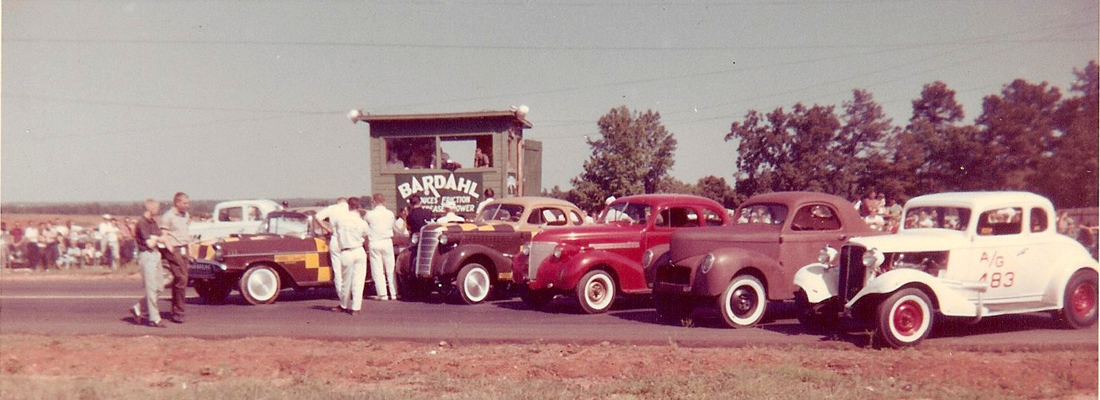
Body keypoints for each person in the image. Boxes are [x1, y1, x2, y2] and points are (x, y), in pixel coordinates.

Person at [131, 198, 168, 328]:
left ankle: (138, 307)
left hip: (155, 255)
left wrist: (155, 238)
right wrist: (156, 239)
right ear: (151, 209)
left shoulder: (153, 222)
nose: (158, 211)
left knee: (159, 287)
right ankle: (155, 319)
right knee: (151, 289)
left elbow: (162, 238)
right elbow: (150, 243)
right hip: (147, 256)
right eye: (157, 208)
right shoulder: (142, 223)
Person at [330, 197, 370, 315]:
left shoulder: (340, 219)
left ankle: (343, 304)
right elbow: (366, 236)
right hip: (358, 250)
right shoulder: (362, 222)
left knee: (345, 281)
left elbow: (335, 229)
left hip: (346, 251)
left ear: (348, 206)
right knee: (359, 280)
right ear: (358, 207)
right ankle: (356, 308)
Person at [160, 192, 192, 324]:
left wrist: (190, 251)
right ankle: (179, 312)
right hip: (174, 249)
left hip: (184, 248)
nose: (187, 206)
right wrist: (171, 249)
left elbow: (186, 232)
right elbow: (164, 234)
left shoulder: (186, 215)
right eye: (185, 203)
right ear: (177, 203)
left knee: (180, 279)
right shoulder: (168, 217)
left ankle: (176, 310)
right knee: (182, 278)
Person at [316, 197, 352, 309]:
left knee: (337, 271)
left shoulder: (332, 208)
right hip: (348, 239)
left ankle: (342, 296)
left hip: (335, 239)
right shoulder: (350, 209)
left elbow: (317, 217)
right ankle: (350, 293)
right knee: (349, 269)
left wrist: (328, 229)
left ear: (338, 202)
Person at [365, 193, 398, 301]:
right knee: (390, 268)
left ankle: (382, 294)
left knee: (378, 270)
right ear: (384, 201)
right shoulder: (390, 214)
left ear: (373, 202)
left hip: (374, 242)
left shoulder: (369, 214)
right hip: (387, 241)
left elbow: (365, 228)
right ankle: (394, 293)